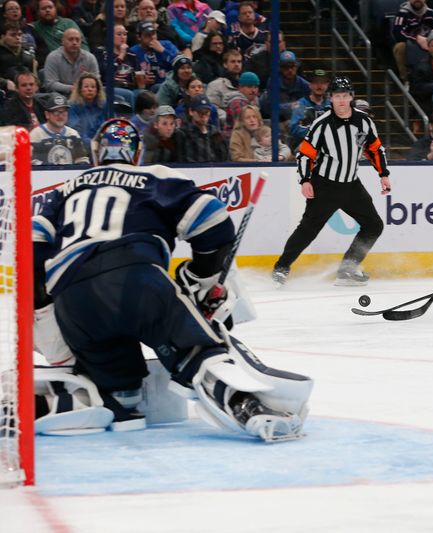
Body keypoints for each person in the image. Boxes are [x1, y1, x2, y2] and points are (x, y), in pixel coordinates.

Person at [31, 117, 311, 441]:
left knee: (122, 391)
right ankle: (248, 405)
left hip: (74, 298)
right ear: (136, 154)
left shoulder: (63, 191)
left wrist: (49, 313)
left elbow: (31, 250)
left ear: (96, 154)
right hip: (134, 278)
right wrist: (202, 279)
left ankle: (95, 400)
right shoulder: (154, 176)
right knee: (198, 353)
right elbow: (213, 221)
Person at [272, 76, 391, 287]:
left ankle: (348, 268)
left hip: (351, 185)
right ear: (331, 98)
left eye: (345, 96)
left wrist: (383, 174)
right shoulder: (322, 124)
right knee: (308, 229)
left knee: (374, 225)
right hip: (324, 185)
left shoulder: (363, 121)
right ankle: (281, 268)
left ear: (351, 97)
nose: (342, 100)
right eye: (337, 96)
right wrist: (305, 180)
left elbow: (374, 149)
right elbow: (305, 154)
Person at [29, 92, 90, 165]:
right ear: (47, 114)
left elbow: (82, 159)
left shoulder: (73, 134)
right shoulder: (36, 135)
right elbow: (30, 161)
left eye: (64, 112)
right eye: (56, 112)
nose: (61, 116)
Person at [42, 27, 99, 96]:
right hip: (61, 95)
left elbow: (96, 80)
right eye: (70, 39)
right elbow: (50, 84)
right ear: (62, 41)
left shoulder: (90, 58)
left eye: (77, 40)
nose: (74, 43)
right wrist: (72, 88)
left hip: (84, 95)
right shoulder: (53, 57)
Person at [391, 0, 433, 82]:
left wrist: (430, 41)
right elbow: (397, 34)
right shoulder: (402, 13)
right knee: (400, 47)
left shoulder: (431, 13)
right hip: (410, 44)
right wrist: (416, 38)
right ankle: (405, 80)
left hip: (429, 44)